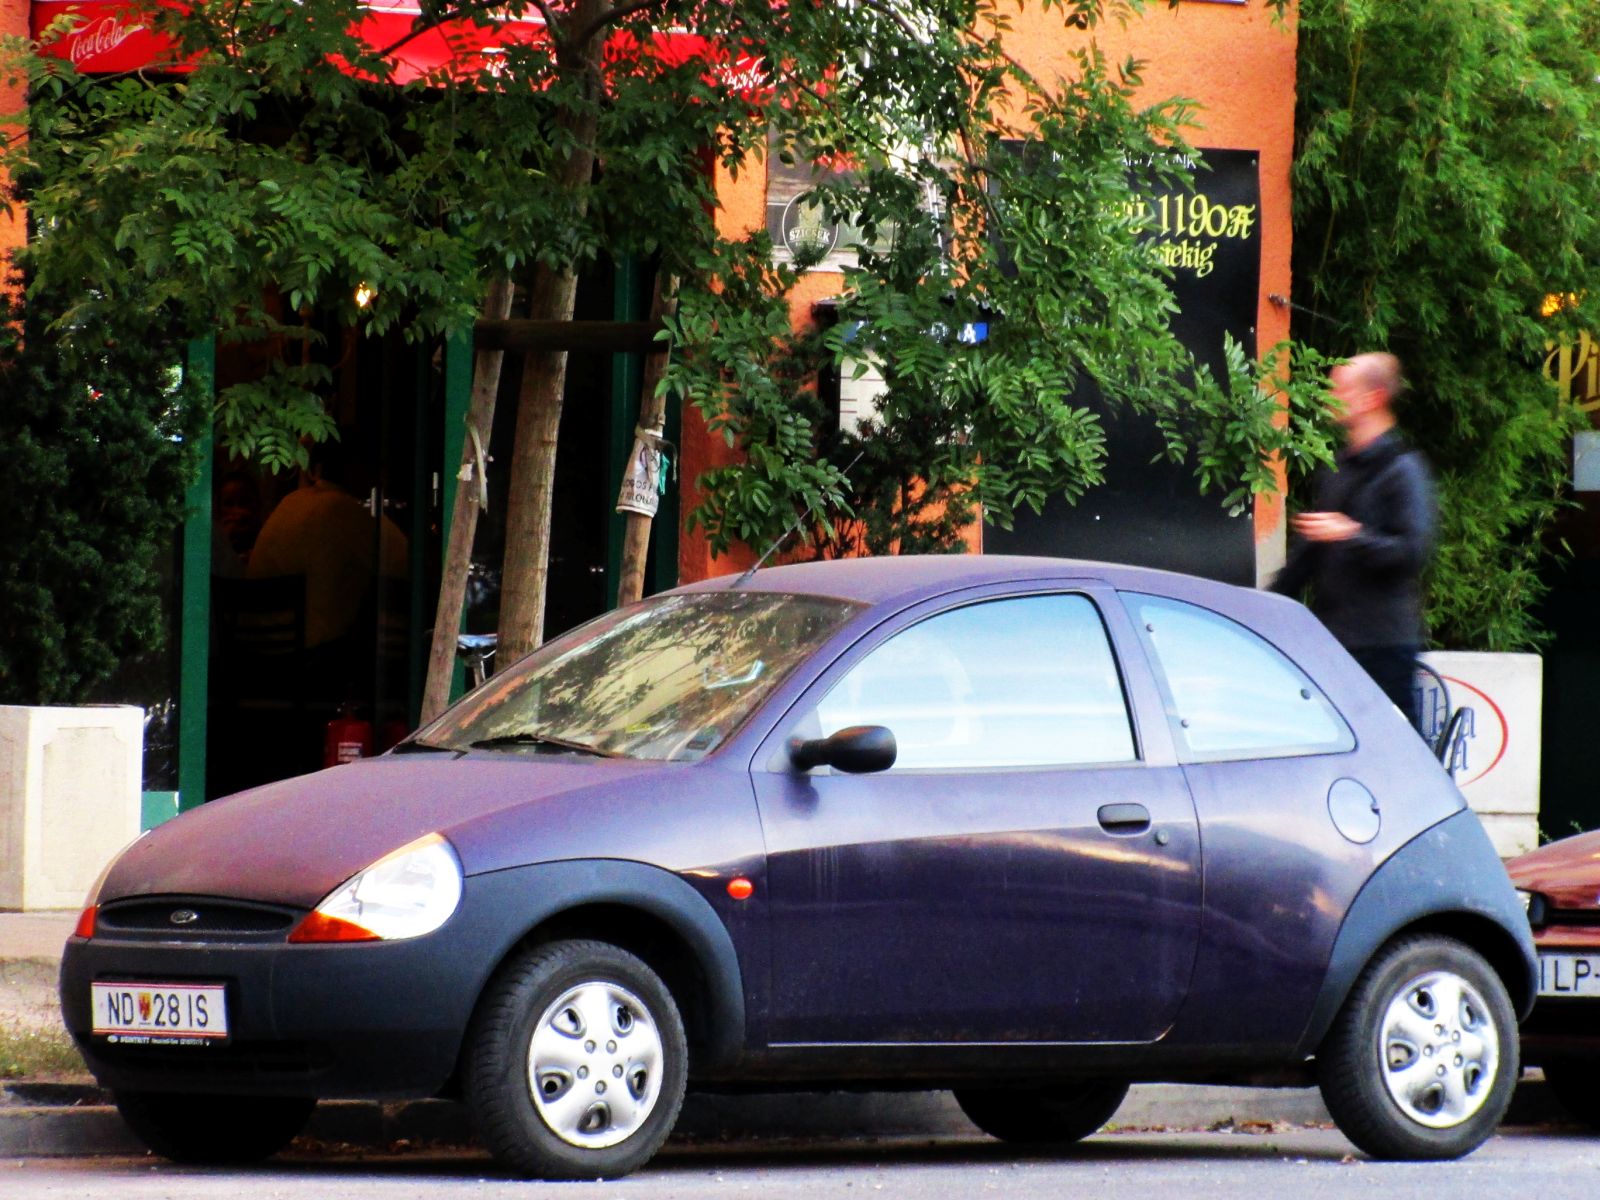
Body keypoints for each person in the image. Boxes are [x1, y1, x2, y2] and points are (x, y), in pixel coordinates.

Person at [1270, 352, 1435, 731]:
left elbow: (1411, 552)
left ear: (1372, 398)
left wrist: (1350, 534)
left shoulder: (1403, 470)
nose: (1330, 396)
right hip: (1333, 642)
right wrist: (1263, 606)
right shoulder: (1339, 469)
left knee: (1395, 756)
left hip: (1383, 645)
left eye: (1340, 388)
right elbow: (1307, 558)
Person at [247, 439, 408, 650]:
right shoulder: (344, 512)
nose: (380, 477)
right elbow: (406, 566)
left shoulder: (290, 502)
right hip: (316, 655)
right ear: (354, 467)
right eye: (373, 466)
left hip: (259, 645)